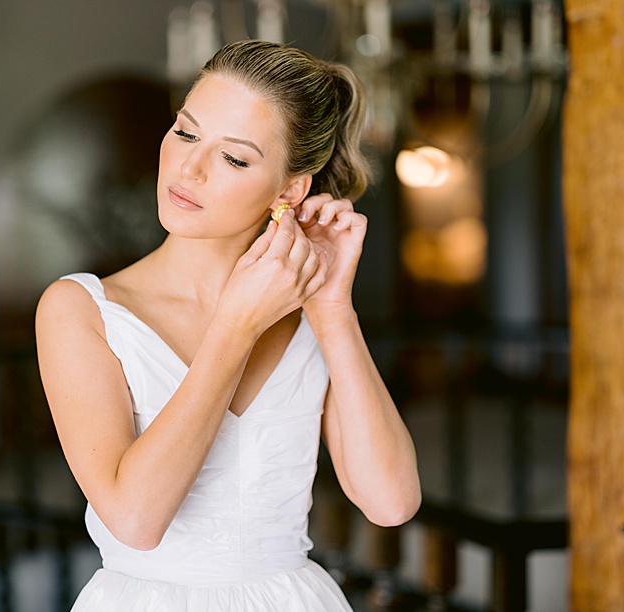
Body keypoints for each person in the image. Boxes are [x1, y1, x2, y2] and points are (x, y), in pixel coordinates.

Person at [36, 40, 421, 610]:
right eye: (186, 132)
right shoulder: (80, 309)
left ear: (290, 189)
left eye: (234, 158)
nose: (188, 168)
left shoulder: (310, 314)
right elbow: (135, 521)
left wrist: (333, 308)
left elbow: (391, 503)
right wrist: (236, 327)